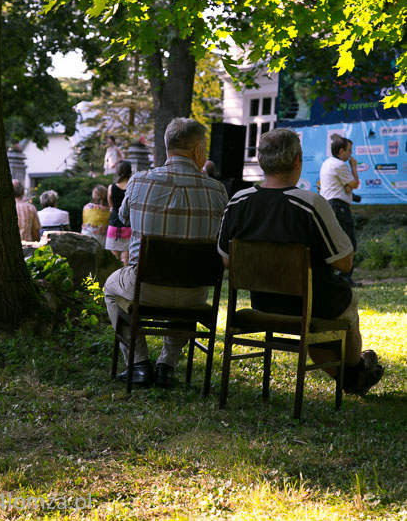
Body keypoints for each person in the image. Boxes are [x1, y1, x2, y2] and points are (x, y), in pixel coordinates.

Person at [218, 128, 383, 396]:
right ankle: (354, 374)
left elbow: (226, 260)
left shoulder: (238, 201)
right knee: (343, 300)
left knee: (314, 310)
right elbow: (344, 263)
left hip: (263, 304)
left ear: (261, 161)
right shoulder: (311, 204)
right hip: (313, 304)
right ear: (297, 161)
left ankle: (355, 375)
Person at [104, 118, 228, 388]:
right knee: (185, 286)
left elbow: (123, 218)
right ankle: (166, 366)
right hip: (194, 293)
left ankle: (138, 364)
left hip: (145, 286)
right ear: (197, 150)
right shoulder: (218, 191)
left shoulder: (139, 181)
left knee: (110, 288)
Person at [320, 134, 360, 287]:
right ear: (341, 151)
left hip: (330, 206)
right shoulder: (340, 165)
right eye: (349, 151)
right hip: (339, 207)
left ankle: (334, 277)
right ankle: (345, 279)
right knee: (349, 242)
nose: (351, 154)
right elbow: (355, 184)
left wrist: (349, 186)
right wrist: (354, 167)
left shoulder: (328, 163)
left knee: (332, 242)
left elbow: (348, 186)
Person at [105, 160, 132, 266]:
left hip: (114, 225)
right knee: (126, 257)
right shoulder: (132, 187)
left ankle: (112, 280)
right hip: (128, 225)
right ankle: (124, 281)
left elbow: (111, 206)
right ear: (130, 172)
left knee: (113, 257)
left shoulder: (111, 187)